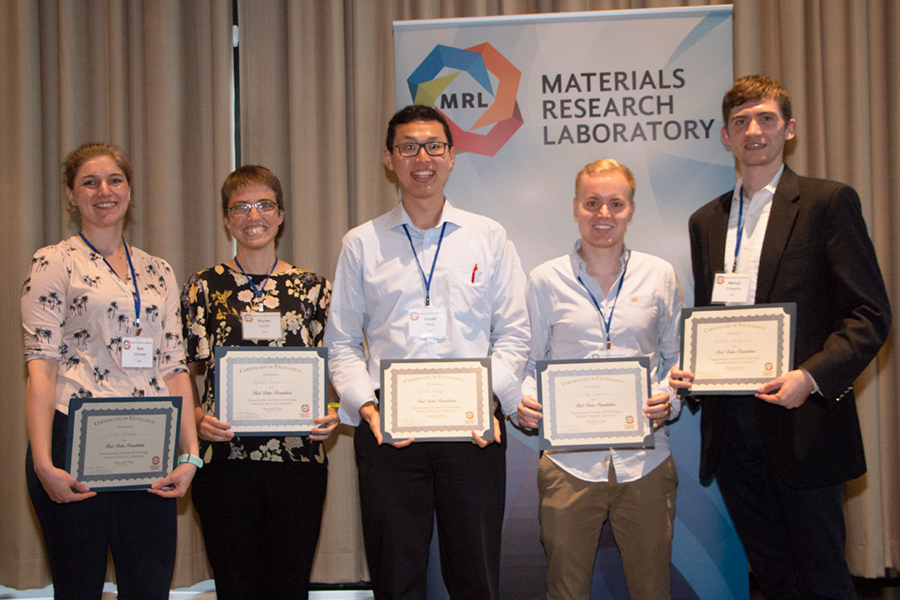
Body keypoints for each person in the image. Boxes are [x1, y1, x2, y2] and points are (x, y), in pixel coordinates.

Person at [669, 75, 891, 598]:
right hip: (733, 432)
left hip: (803, 422)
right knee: (769, 575)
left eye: (766, 118)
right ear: (725, 136)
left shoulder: (827, 203)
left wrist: (810, 377)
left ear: (788, 129)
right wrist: (692, 374)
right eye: (740, 121)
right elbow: (711, 318)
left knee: (822, 575)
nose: (753, 130)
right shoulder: (706, 221)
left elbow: (870, 313)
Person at [324, 105, 530, 599]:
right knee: (396, 577)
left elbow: (514, 333)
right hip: (389, 434)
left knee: (475, 576)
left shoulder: (488, 237)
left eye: (435, 146)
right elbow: (341, 343)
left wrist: (492, 403)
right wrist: (367, 409)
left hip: (473, 432)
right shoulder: (361, 244)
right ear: (389, 159)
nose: (423, 158)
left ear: (452, 157)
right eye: (408, 147)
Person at [22, 143, 200, 600]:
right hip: (73, 441)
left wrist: (191, 454)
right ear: (70, 194)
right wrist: (44, 463)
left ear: (129, 190)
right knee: (78, 585)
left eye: (114, 180)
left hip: (148, 446)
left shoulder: (158, 270)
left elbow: (174, 366)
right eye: (90, 181)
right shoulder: (53, 261)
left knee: (149, 586)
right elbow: (40, 368)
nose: (104, 191)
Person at [517, 159, 681, 599]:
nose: (603, 214)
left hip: (646, 461)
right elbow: (528, 364)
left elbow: (676, 358)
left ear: (630, 209)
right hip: (569, 463)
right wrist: (525, 403)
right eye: (592, 203)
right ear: (575, 207)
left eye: (615, 203)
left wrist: (669, 398)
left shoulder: (660, 275)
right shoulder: (544, 280)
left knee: (652, 589)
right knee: (566, 590)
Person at [180, 165, 338, 600]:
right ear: (228, 219)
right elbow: (181, 370)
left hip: (298, 462)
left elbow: (336, 366)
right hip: (225, 461)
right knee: (236, 586)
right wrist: (195, 417)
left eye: (265, 204)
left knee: (289, 586)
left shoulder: (314, 289)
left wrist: (332, 411)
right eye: (241, 207)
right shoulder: (202, 288)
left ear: (281, 214)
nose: (254, 215)